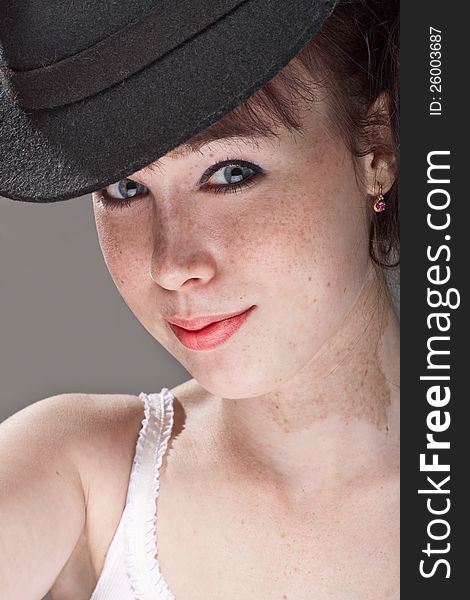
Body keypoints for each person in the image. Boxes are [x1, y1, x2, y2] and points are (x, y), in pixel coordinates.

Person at [0, 0, 400, 598]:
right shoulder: (73, 482)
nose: (172, 265)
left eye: (231, 172)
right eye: (124, 186)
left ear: (378, 150)